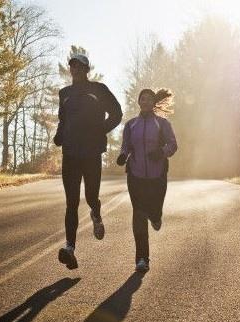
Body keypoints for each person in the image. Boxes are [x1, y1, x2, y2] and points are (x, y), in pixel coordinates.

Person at [54, 53, 122, 269]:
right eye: (72, 66)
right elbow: (63, 120)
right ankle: (70, 249)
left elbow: (117, 113)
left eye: (80, 66)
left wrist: (100, 130)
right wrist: (59, 135)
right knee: (71, 202)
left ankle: (96, 213)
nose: (75, 69)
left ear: (87, 69)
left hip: (92, 153)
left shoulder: (99, 89)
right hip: (70, 153)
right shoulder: (64, 93)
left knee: (91, 196)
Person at [116, 88, 177, 272]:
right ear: (139, 102)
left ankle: (156, 216)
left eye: (149, 99)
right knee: (139, 214)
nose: (146, 102)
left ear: (153, 102)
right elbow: (126, 146)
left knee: (154, 211)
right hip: (136, 176)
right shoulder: (131, 125)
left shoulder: (162, 123)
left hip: (157, 176)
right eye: (143, 99)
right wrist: (122, 156)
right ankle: (142, 258)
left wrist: (161, 152)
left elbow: (173, 145)